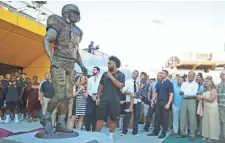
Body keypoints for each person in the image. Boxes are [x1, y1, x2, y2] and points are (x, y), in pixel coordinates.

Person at [40, 4, 88, 134]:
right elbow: (47, 40)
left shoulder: (78, 31)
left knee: (67, 96)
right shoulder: (58, 22)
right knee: (60, 94)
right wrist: (52, 57)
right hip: (59, 62)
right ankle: (46, 117)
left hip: (70, 64)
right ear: (67, 12)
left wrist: (82, 65)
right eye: (74, 12)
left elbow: (75, 51)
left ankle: (61, 122)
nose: (77, 15)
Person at [95, 56, 125, 140]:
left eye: (109, 63)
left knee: (113, 119)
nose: (108, 65)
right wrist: (98, 97)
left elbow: (120, 86)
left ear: (115, 64)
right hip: (103, 100)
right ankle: (97, 136)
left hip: (115, 101)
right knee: (99, 118)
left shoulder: (121, 75)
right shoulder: (105, 74)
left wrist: (111, 77)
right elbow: (100, 86)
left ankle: (110, 136)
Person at [149, 70, 174, 139]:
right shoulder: (159, 83)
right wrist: (152, 101)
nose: (161, 74)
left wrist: (168, 103)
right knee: (157, 117)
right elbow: (156, 93)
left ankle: (163, 133)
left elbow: (171, 94)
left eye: (162, 73)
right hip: (158, 102)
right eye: (160, 73)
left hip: (165, 102)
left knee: (164, 118)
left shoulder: (169, 83)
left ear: (166, 75)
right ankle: (155, 132)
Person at [197, 76, 220, 142]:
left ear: (211, 82)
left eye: (208, 81)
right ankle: (205, 135)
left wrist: (202, 97)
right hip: (206, 108)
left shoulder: (214, 90)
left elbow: (211, 99)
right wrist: (199, 98)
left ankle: (211, 137)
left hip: (212, 108)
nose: (206, 82)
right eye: (205, 81)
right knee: (205, 122)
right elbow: (203, 98)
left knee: (211, 123)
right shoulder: (205, 90)